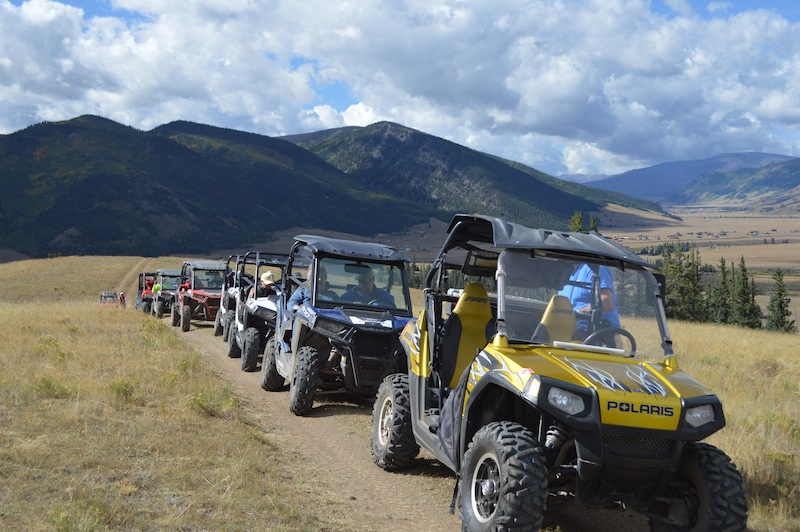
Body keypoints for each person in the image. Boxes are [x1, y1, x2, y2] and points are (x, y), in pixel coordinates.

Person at [558, 263, 620, 331]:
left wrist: (577, 314)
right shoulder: (564, 274)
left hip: (600, 334)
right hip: (569, 332)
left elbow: (605, 303)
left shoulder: (594, 268)